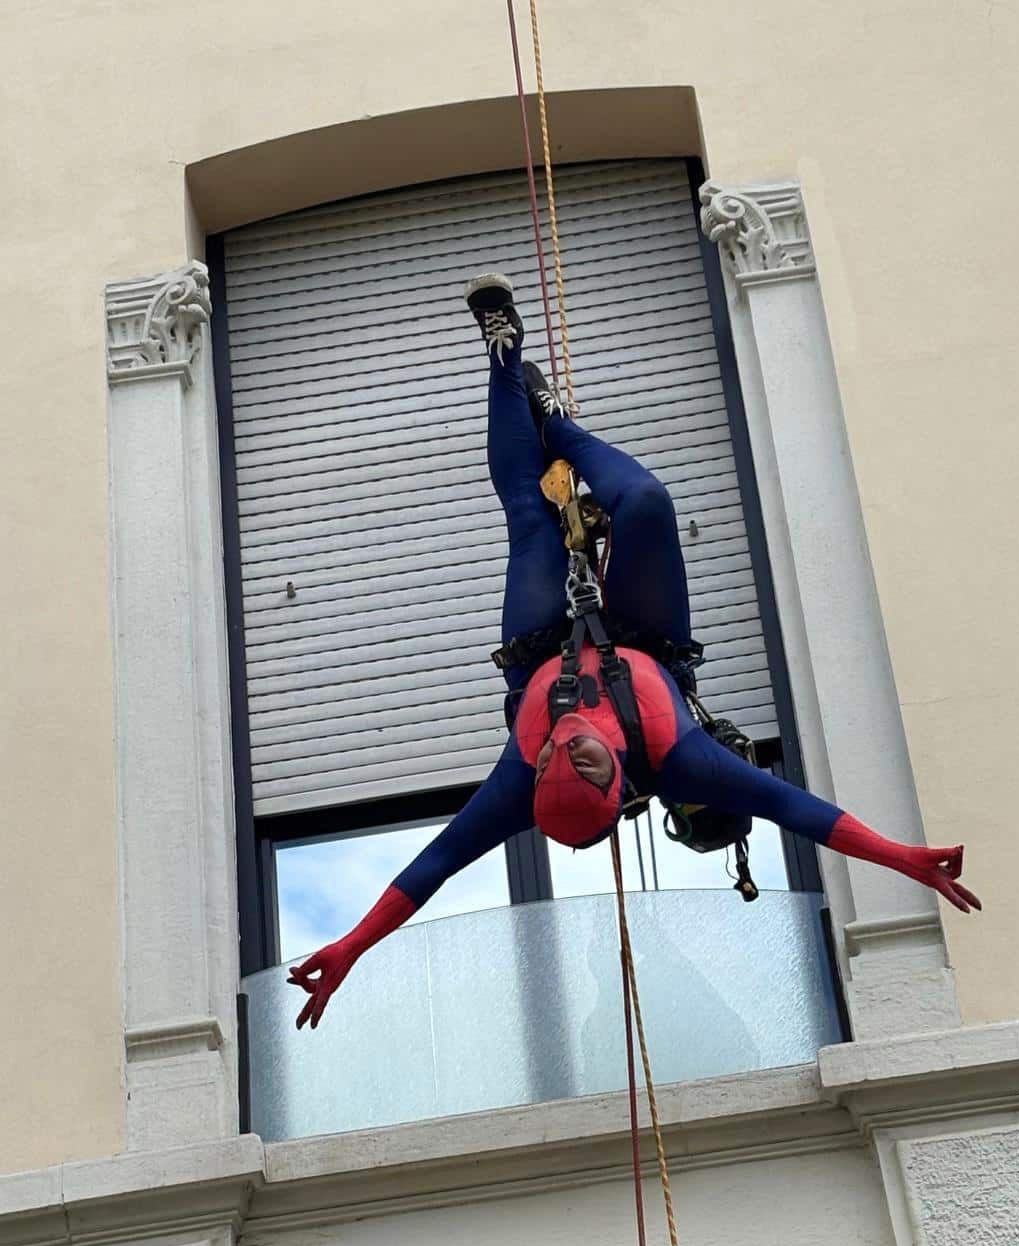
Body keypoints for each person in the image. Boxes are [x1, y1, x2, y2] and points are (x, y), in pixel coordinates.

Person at [289, 275, 980, 1028]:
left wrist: (353, 946)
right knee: (646, 505)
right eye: (581, 761)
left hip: (539, 650)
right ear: (619, 785)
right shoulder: (683, 764)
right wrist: (903, 858)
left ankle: (504, 358)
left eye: (553, 757)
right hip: (648, 644)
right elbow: (799, 811)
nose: (566, 743)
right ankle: (557, 425)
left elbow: (431, 869)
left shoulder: (516, 786)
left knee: (531, 517)